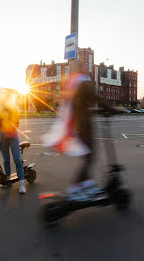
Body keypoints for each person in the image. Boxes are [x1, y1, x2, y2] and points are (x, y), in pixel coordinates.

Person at [43, 59, 111, 200]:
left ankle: (87, 184)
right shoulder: (84, 82)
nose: (88, 68)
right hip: (84, 125)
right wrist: (111, 108)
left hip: (78, 124)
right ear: (82, 69)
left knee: (88, 156)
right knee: (91, 156)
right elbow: (96, 98)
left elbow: (79, 104)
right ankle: (75, 188)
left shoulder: (73, 83)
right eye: (86, 66)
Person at [0, 95, 26, 194]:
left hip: (13, 135)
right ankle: (8, 181)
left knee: (17, 159)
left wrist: (8, 121)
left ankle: (22, 185)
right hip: (2, 135)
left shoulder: (15, 109)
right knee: (6, 159)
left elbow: (15, 121)